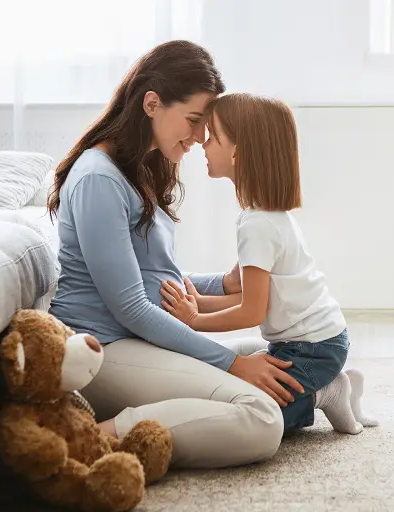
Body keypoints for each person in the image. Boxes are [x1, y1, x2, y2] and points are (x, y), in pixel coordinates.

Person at [46, 40, 305, 469]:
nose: (201, 136)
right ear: (152, 103)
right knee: (261, 417)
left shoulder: (138, 169)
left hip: (136, 338)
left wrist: (222, 284)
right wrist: (233, 364)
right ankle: (93, 437)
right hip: (103, 348)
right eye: (194, 120)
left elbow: (151, 278)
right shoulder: (98, 179)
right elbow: (131, 306)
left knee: (280, 354)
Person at [159, 93, 378, 435]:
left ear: (237, 152)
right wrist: (199, 303)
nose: (202, 143)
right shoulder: (264, 216)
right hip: (316, 341)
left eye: (212, 137)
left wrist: (195, 319)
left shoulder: (257, 225)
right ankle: (338, 383)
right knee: (238, 392)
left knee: (264, 415)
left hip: (314, 350)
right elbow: (259, 297)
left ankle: (328, 391)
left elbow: (252, 312)